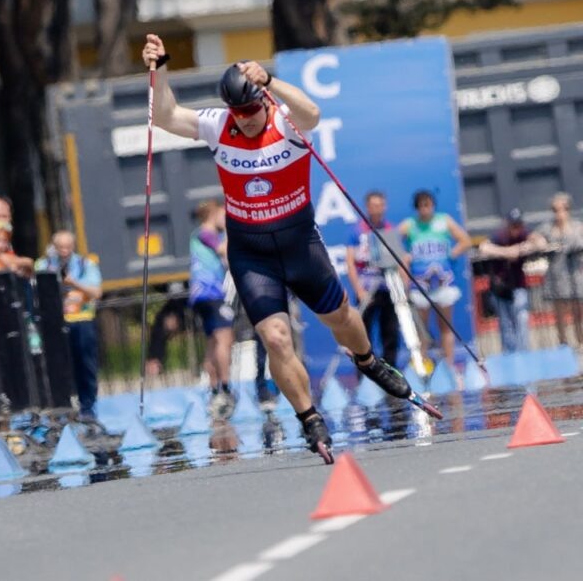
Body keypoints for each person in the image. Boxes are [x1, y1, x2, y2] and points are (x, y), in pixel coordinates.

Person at [141, 33, 431, 461]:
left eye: (252, 108)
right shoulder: (219, 125)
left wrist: (271, 82)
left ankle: (369, 362)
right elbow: (164, 117)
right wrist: (159, 67)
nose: (247, 119)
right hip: (252, 253)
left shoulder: (283, 120)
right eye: (239, 112)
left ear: (263, 99)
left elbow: (312, 112)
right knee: (276, 339)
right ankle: (310, 418)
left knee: (342, 317)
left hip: (299, 244)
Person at [398, 190, 472, 375]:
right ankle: (421, 366)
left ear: (433, 205)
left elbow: (465, 240)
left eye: (428, 204)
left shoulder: (444, 220)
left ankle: (449, 366)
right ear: (417, 207)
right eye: (421, 205)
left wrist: (450, 255)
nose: (425, 209)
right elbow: (391, 241)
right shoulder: (410, 225)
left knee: (445, 326)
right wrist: (404, 258)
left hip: (442, 283)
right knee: (421, 330)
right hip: (420, 284)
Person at [35, 230, 103, 420]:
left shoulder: (85, 265)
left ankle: (87, 406)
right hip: (55, 323)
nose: (64, 251)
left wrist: (74, 283)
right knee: (58, 366)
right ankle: (60, 407)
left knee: (85, 365)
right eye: (60, 248)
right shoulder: (43, 265)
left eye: (68, 247)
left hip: (82, 321)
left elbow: (96, 292)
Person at [187, 201, 236, 418]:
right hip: (211, 293)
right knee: (224, 338)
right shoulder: (205, 233)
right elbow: (223, 249)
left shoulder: (200, 236)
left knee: (212, 340)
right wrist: (229, 230)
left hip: (201, 295)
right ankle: (225, 387)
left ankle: (215, 388)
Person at [345, 191, 400, 367]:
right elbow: (350, 262)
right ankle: (365, 372)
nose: (377, 209)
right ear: (367, 207)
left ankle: (390, 370)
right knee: (363, 334)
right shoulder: (357, 231)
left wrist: (402, 286)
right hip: (366, 290)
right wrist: (358, 290)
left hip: (388, 288)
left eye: (380, 205)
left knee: (390, 332)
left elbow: (398, 259)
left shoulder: (390, 229)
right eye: (374, 205)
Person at [529, 193, 583, 347]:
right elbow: (532, 236)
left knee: (578, 311)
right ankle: (563, 343)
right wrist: (538, 241)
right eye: (555, 210)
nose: (559, 213)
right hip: (557, 275)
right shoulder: (548, 228)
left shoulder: (577, 227)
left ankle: (580, 341)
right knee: (559, 313)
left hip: (575, 274)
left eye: (562, 209)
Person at [479, 208, 532, 353]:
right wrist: (507, 252)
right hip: (500, 288)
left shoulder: (524, 234)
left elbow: (540, 242)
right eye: (513, 225)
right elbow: (483, 247)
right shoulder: (499, 236)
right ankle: (510, 352)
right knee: (505, 322)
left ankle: (523, 351)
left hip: (518, 285)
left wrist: (521, 248)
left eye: (518, 225)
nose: (516, 229)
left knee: (521, 317)